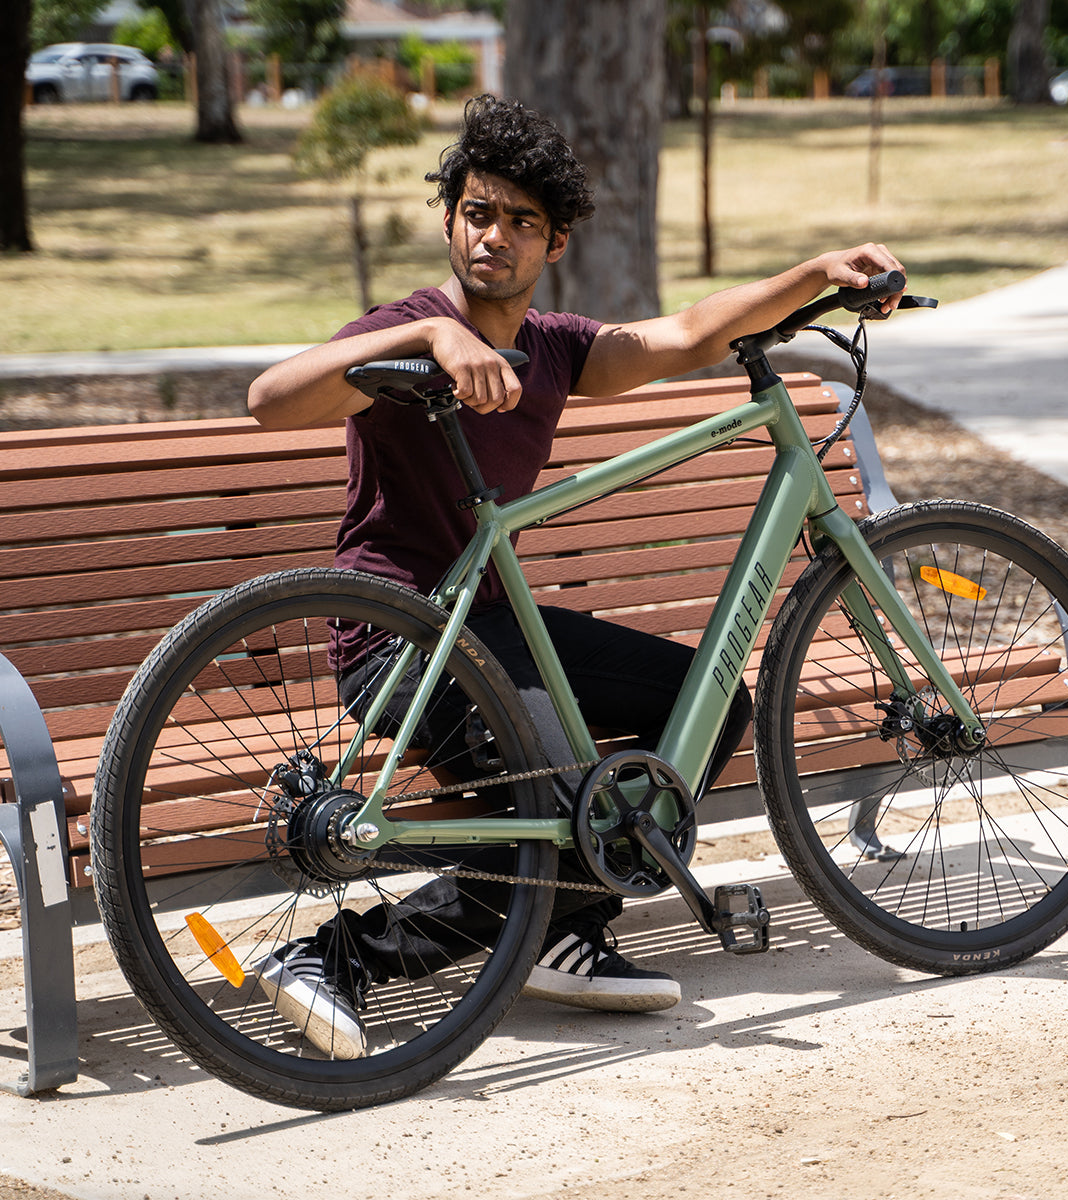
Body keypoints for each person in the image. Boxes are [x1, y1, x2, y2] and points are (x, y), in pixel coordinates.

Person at [247, 93, 906, 1059]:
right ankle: (332, 959)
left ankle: (564, 928)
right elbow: (269, 401)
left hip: (499, 632)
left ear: (552, 244)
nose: (494, 238)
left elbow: (683, 333)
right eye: (478, 214)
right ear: (448, 221)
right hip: (401, 638)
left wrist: (814, 272)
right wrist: (432, 341)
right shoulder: (410, 327)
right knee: (553, 812)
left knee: (711, 701)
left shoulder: (553, 349)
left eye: (521, 223)